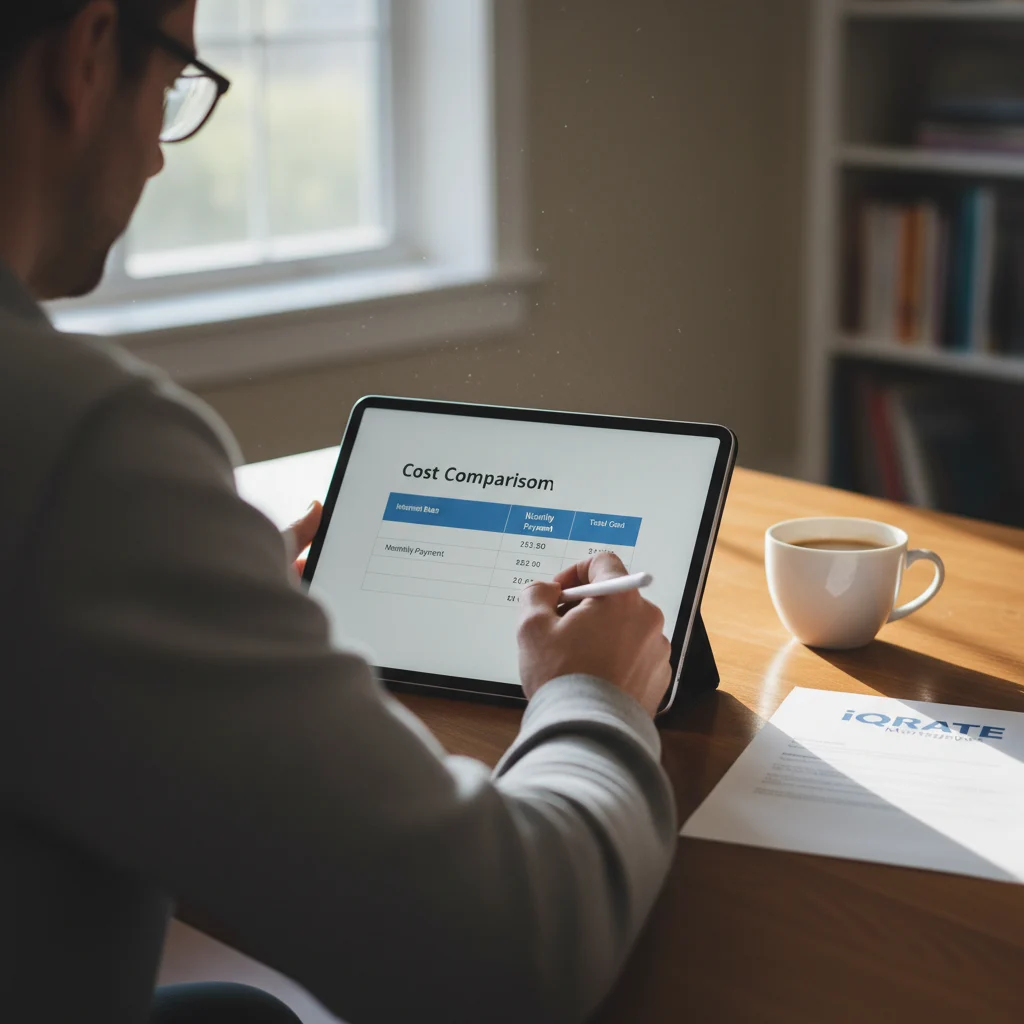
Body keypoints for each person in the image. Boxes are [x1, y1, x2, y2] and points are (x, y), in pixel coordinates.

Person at [0, 2, 678, 1022]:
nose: (157, 159)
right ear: (89, 54)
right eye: (178, 79)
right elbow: (509, 948)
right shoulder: (79, 441)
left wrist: (190, 582)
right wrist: (598, 696)